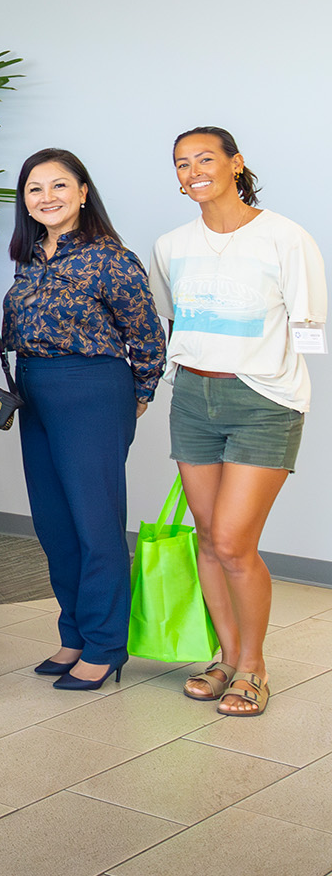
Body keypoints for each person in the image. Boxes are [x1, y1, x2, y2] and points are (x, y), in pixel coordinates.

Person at [150, 127, 325, 717]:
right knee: (206, 536)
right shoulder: (171, 245)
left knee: (232, 540)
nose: (193, 171)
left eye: (205, 159)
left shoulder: (284, 237)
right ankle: (226, 658)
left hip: (264, 401)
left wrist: (273, 368)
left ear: (235, 164)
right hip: (194, 398)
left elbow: (310, 325)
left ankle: (254, 667)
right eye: (182, 163)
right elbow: (176, 320)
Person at [4, 149, 166, 691]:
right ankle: (73, 633)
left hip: (92, 390)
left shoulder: (110, 257)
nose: (45, 197)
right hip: (35, 389)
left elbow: (147, 334)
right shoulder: (30, 258)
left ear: (82, 192)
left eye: (58, 186)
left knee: (95, 524)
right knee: (54, 525)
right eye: (34, 188)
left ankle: (104, 645)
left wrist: (138, 394)